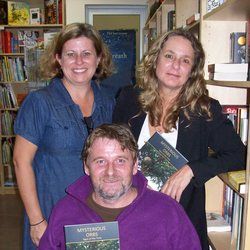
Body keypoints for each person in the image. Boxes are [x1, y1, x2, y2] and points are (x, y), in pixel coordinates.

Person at [112, 29, 246, 249]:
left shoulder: (204, 110)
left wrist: (191, 170)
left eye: (185, 60)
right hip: (131, 220)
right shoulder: (129, 99)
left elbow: (240, 155)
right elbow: (114, 150)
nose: (175, 65)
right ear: (155, 59)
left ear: (192, 70)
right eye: (169, 56)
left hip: (178, 225)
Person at [13, 23, 115, 250]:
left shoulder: (109, 103)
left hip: (97, 215)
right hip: (51, 211)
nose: (79, 62)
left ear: (98, 59)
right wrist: (37, 220)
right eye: (71, 54)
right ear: (59, 59)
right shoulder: (39, 103)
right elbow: (21, 162)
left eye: (86, 54)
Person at [38, 123, 201, 250]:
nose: (110, 171)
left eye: (120, 161)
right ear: (86, 167)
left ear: (135, 165)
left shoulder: (168, 211)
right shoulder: (65, 210)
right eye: (100, 161)